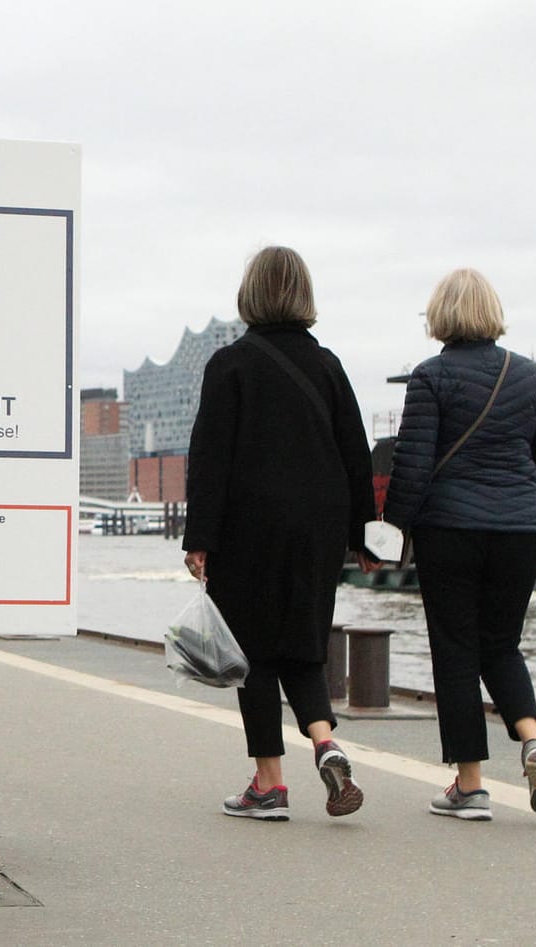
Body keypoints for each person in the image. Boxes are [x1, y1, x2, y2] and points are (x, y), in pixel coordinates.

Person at [181, 246, 379, 821]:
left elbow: (210, 458)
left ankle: (269, 784)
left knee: (253, 653)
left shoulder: (231, 364)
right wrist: (365, 535)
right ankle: (324, 741)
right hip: (320, 525)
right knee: (303, 644)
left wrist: (200, 538)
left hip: (250, 525)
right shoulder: (329, 365)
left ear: (251, 293)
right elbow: (355, 455)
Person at [383, 268, 536, 820]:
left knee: (457, 649)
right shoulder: (530, 377)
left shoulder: (431, 377)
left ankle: (470, 786)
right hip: (519, 528)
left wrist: (390, 532)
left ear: (441, 315)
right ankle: (532, 739)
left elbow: (412, 466)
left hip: (451, 530)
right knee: (502, 644)